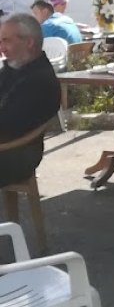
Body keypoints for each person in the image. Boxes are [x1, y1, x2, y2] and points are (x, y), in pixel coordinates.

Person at [0, 14, 61, 188]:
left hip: (14, 156)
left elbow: (7, 123)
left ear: (29, 42)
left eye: (6, 41)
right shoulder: (16, 68)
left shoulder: (39, 80)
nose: (2, 48)